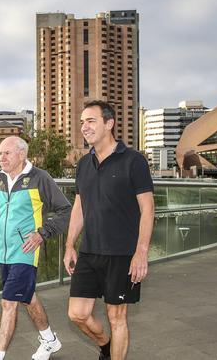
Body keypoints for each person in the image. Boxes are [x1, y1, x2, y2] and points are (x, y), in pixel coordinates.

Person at [0, 136, 71, 360]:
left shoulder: (39, 178)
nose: (1, 157)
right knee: (27, 298)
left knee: (8, 302)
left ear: (22, 154)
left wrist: (42, 233)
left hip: (26, 251)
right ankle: (49, 340)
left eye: (7, 153)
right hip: (4, 252)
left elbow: (66, 210)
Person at [63, 100, 154, 360]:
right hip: (90, 251)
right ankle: (106, 346)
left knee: (117, 316)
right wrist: (70, 244)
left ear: (109, 123)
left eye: (90, 121)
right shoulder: (83, 164)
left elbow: (148, 209)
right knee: (77, 314)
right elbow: (80, 206)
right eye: (81, 122)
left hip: (122, 252)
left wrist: (141, 253)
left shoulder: (133, 160)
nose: (84, 127)